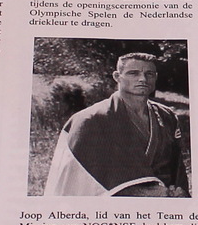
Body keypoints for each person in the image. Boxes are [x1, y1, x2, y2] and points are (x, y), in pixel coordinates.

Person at [44, 53, 189, 197]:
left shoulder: (167, 116)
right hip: (113, 203)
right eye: (133, 73)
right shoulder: (90, 119)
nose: (143, 79)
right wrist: (143, 192)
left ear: (156, 77)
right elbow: (81, 176)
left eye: (149, 74)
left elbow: (177, 166)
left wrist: (178, 192)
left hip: (165, 201)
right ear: (117, 76)